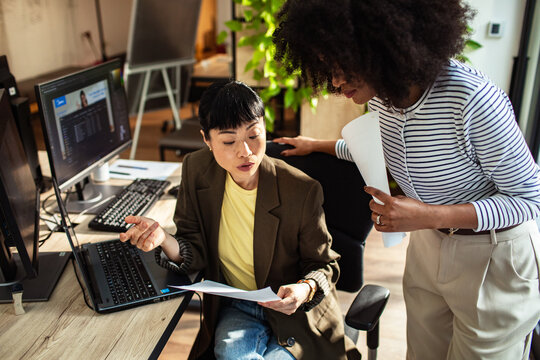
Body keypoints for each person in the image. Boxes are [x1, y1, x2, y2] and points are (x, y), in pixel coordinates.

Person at [271, 0, 540, 359]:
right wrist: (316, 145)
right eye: (327, 68)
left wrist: (428, 216)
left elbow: (529, 198)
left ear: (383, 45)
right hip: (428, 246)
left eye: (344, 66)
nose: (336, 82)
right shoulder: (384, 96)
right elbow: (383, 149)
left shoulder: (471, 100)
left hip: (494, 257)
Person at [119, 80, 360, 360]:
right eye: (229, 141)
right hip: (237, 305)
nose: (245, 151)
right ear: (207, 140)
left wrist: (304, 289)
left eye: (254, 136)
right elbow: (193, 248)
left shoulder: (301, 189)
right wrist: (164, 240)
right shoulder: (196, 170)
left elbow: (325, 265)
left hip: (296, 313)